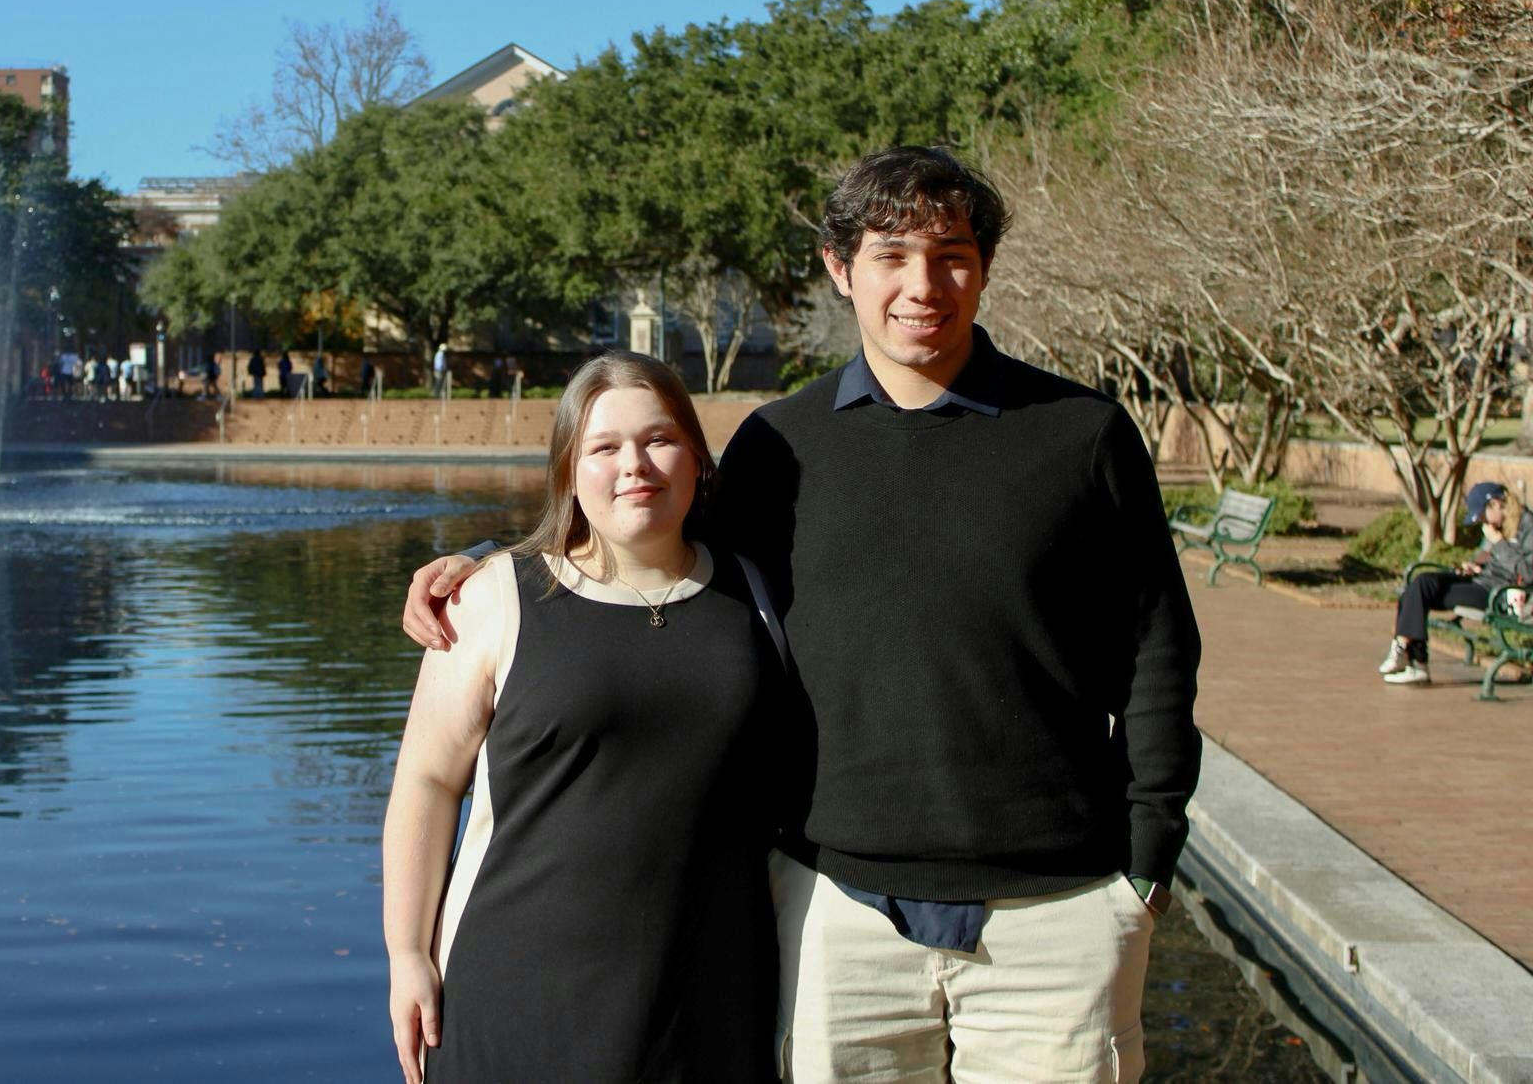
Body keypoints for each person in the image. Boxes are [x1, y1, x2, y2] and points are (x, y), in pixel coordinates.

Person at [403, 146, 1201, 1082]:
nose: (923, 284)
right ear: (840, 268)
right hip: (838, 920)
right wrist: (494, 562)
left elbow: (1159, 648)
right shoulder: (783, 444)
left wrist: (1145, 864)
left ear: (983, 265)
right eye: (891, 255)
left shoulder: (1083, 434)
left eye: (951, 254)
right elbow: (642, 532)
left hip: (1056, 915)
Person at [382, 352, 783, 1084]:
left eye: (659, 439)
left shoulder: (754, 595)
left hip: (707, 1007)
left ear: (696, 456)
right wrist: (407, 953)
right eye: (603, 447)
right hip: (516, 1000)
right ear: (569, 470)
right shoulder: (493, 599)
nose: (635, 464)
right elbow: (427, 783)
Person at [1380, 482, 1529, 686]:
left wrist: (1499, 543)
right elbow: (1491, 559)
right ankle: (1409, 654)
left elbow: (1527, 572)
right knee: (1421, 582)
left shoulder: (1527, 526)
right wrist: (1476, 564)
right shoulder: (1497, 525)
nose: (1483, 523)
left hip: (1498, 593)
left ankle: (1411, 657)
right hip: (1481, 579)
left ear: (1495, 504)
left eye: (1482, 516)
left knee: (1420, 590)